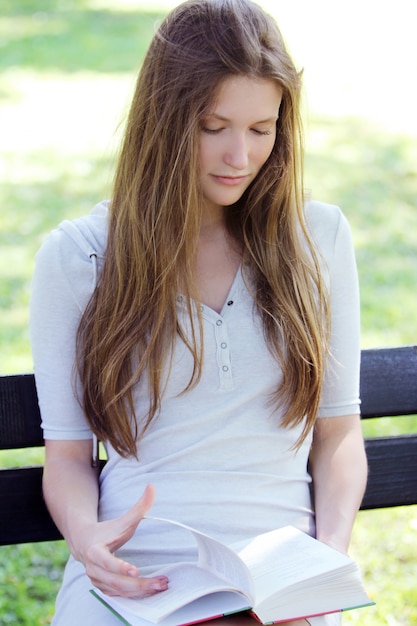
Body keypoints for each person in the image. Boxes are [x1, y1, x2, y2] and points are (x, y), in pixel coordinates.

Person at [29, 0, 368, 624]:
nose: (240, 155)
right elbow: (69, 459)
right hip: (138, 575)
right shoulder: (79, 259)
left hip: (282, 577)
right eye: (214, 126)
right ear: (163, 121)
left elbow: (339, 434)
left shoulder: (318, 238)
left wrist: (327, 560)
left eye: (262, 129)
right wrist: (87, 539)